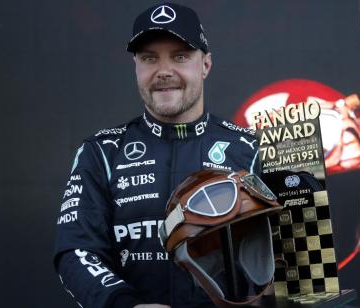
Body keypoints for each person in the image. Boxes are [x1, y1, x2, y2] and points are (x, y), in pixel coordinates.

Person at [53, 2, 260, 307]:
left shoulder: (251, 149)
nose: (164, 71)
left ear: (205, 65)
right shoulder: (101, 152)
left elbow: (287, 261)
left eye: (180, 56)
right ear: (136, 67)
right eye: (149, 58)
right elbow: (76, 251)